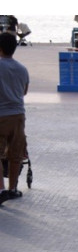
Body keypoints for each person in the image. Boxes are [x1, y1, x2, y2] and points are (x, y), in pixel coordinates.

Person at [0, 31, 29, 205]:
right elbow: (24, 91)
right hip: (18, 115)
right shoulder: (22, 69)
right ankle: (12, 189)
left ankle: (0, 189)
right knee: (15, 154)